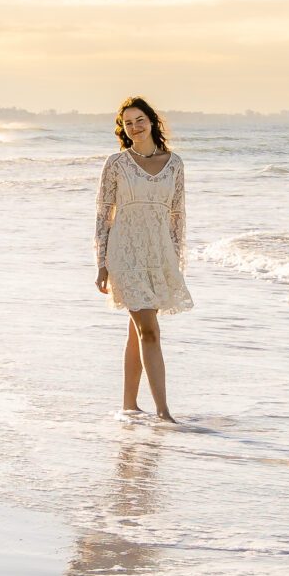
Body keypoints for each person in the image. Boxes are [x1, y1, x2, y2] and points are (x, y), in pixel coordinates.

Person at [94, 95, 191, 420]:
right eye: (128, 123)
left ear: (152, 121)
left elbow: (177, 216)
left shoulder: (175, 163)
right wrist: (102, 264)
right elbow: (103, 215)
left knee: (138, 329)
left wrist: (174, 263)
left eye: (140, 120)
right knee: (149, 330)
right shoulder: (116, 164)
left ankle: (129, 406)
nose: (134, 127)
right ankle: (163, 412)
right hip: (125, 253)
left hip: (158, 254)